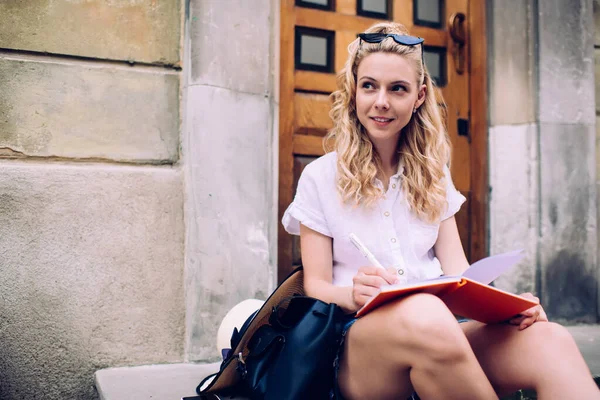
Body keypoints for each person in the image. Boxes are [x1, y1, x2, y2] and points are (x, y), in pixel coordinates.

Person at [282, 21, 599, 400]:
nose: (381, 101)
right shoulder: (320, 177)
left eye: (397, 88)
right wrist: (351, 293)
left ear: (419, 96)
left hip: (439, 333)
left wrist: (509, 307)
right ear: (353, 91)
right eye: (369, 86)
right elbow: (314, 286)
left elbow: (460, 274)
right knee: (425, 314)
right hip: (356, 346)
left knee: (550, 340)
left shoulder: (433, 175)